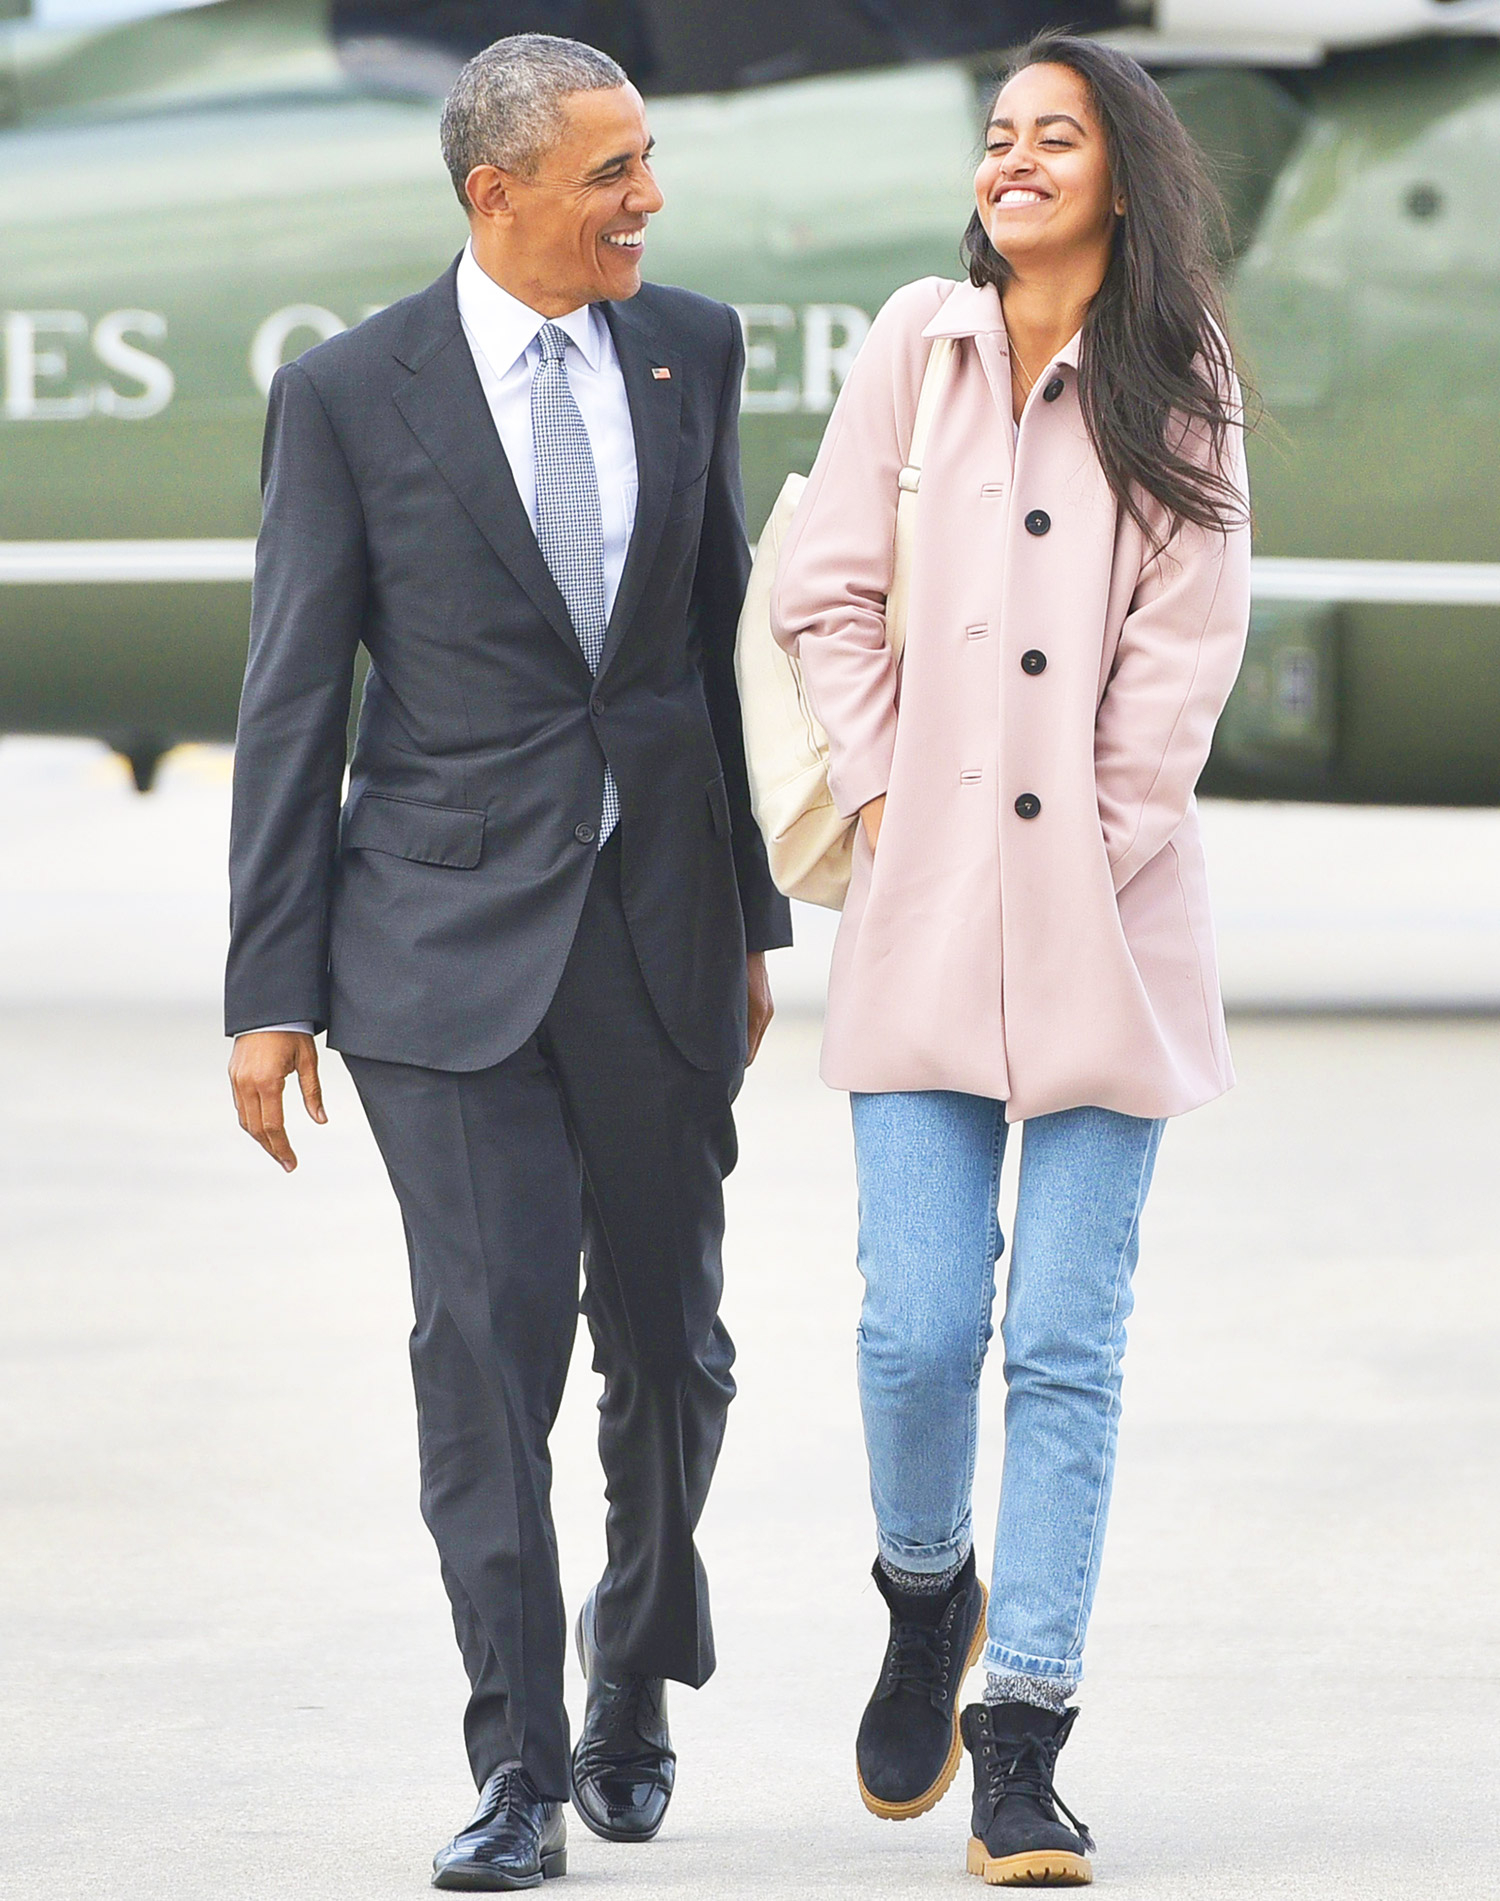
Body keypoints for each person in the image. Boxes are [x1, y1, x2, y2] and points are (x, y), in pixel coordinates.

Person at [225, 33, 790, 1890]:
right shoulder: (346, 393)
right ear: (498, 193)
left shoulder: (688, 347)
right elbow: (293, 698)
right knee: (485, 1354)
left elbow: (715, 649)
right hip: (436, 947)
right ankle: (519, 1766)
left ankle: (633, 1673)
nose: (648, 200)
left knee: (674, 1349)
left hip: (661, 935)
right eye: (613, 171)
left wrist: (756, 917)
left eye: (647, 162)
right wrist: (269, 990)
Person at [771, 32, 1251, 1889]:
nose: (1016, 158)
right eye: (1000, 133)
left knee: (1063, 1342)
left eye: (1056, 134)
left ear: (1123, 174)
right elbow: (823, 589)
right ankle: (926, 1592)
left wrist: (1086, 852)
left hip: (1109, 938)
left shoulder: (1179, 376)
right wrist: (892, 794)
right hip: (921, 915)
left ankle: (1024, 1740)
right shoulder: (919, 340)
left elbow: (1186, 656)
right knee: (914, 1327)